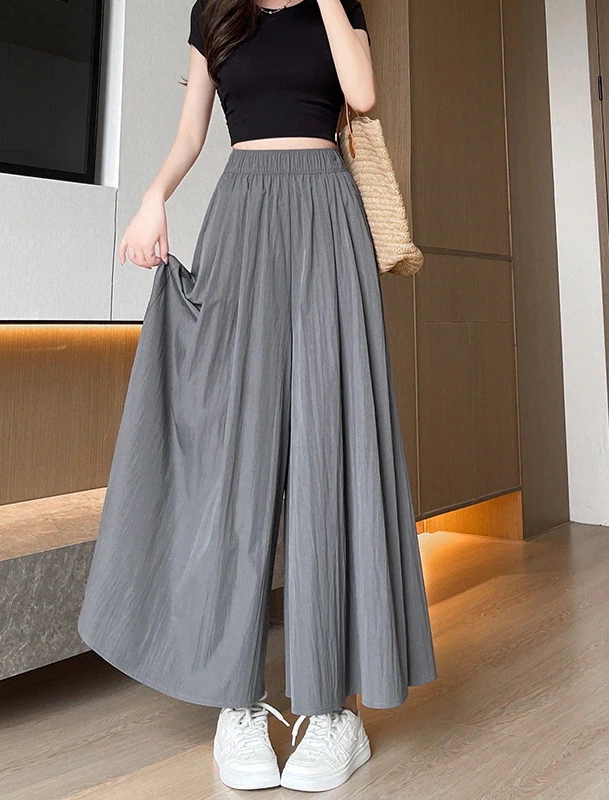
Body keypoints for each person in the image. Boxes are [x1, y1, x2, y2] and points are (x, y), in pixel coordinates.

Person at [77, 0, 437, 792]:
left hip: (327, 211)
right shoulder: (214, 11)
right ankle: (233, 703)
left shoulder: (337, 7)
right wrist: (154, 196)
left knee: (329, 449)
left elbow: (362, 95)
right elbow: (191, 134)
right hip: (242, 212)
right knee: (232, 458)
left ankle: (333, 713)